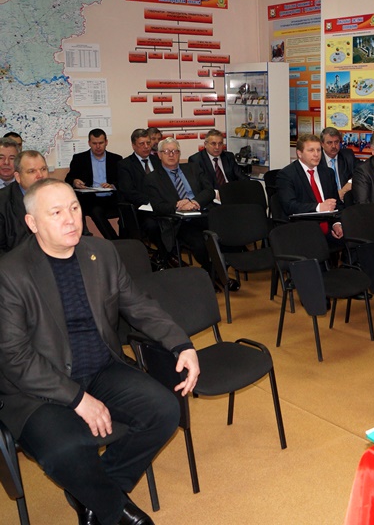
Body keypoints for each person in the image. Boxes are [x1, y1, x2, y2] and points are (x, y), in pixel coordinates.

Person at [0, 178, 200, 525]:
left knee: (164, 410)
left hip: (101, 368)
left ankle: (92, 495)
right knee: (65, 448)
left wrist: (181, 343)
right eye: (56, 213)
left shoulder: (101, 253)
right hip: (38, 389)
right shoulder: (10, 273)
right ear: (32, 223)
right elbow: (15, 358)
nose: (70, 219)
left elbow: (138, 305)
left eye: (74, 208)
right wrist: (78, 399)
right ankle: (113, 509)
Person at [144, 137, 215, 274]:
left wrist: (194, 202)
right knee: (200, 244)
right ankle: (214, 274)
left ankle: (218, 270)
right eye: (166, 151)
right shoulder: (152, 179)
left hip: (203, 213)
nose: (171, 155)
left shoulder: (193, 168)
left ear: (179, 154)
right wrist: (178, 205)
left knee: (227, 234)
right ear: (159, 155)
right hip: (180, 222)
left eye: (175, 151)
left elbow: (209, 191)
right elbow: (158, 207)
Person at [276, 133, 343, 240]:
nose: (316, 154)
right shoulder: (287, 175)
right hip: (302, 231)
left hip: (328, 230)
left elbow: (336, 203)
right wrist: (318, 207)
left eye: (318, 150)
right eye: (311, 150)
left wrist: (337, 224)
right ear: (299, 153)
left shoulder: (328, 173)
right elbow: (290, 206)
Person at [117, 128, 168, 259]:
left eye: (148, 143)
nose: (146, 147)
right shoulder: (125, 165)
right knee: (153, 226)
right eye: (141, 144)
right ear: (134, 145)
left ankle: (170, 253)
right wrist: (151, 201)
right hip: (140, 210)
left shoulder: (157, 161)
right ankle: (165, 256)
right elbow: (128, 191)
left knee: (175, 222)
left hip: (161, 207)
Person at [65, 128, 123, 240]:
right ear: (89, 143)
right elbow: (68, 178)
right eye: (94, 143)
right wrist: (75, 181)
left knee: (127, 208)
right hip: (91, 199)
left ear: (106, 142)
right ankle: (115, 241)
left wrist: (112, 185)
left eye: (101, 143)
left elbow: (122, 180)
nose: (98, 146)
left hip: (112, 197)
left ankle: (126, 240)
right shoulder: (79, 159)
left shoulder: (116, 159)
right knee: (96, 211)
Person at [0, 150, 49, 255]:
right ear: (18, 177)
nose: (40, 175)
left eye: (43, 169)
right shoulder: (2, 201)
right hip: (16, 261)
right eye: (32, 171)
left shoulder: (59, 195)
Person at [188, 129, 247, 193]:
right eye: (213, 144)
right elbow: (199, 186)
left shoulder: (228, 156)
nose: (217, 147)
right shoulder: (196, 160)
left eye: (220, 143)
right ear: (205, 144)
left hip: (232, 191)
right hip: (212, 195)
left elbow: (241, 177)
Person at [317, 126, 357, 202]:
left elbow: (362, 170)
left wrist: (347, 185)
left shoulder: (348, 156)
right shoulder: (317, 160)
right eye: (329, 143)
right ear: (322, 144)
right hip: (326, 203)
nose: (334, 146)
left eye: (336, 142)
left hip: (346, 203)